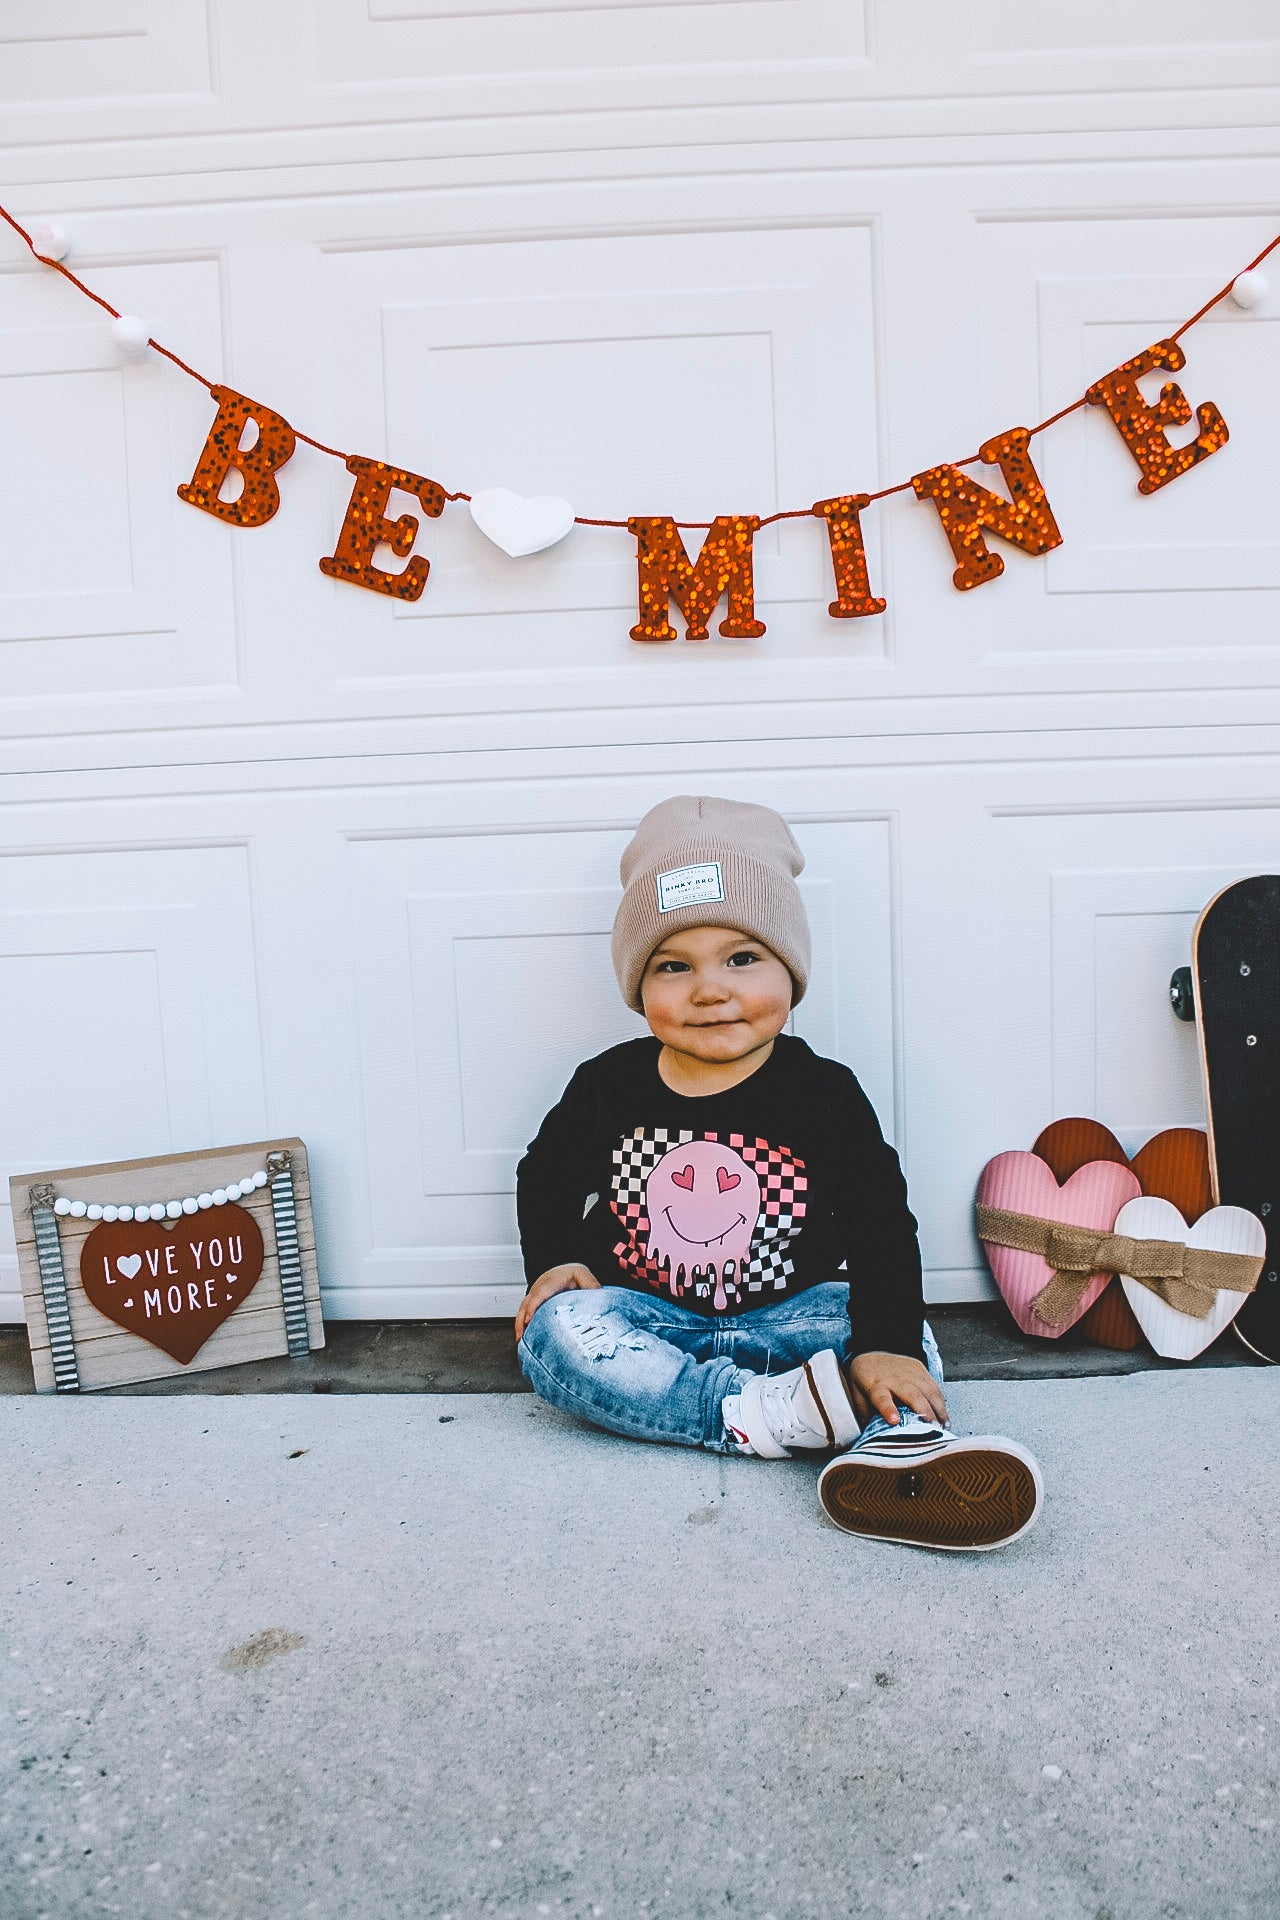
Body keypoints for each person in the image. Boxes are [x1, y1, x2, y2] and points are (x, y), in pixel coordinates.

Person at [515, 795, 1042, 1551]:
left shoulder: (823, 1094)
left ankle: (896, 1448)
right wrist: (557, 1257)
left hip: (789, 1317)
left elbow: (880, 1223)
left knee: (906, 1336)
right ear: (638, 985)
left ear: (790, 968)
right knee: (557, 1333)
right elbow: (547, 1173)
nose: (708, 989)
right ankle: (748, 1414)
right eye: (673, 965)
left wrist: (883, 1341)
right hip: (650, 1323)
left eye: (741, 957)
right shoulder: (608, 1086)